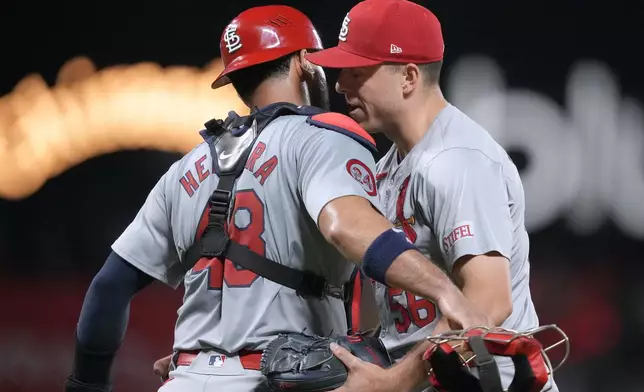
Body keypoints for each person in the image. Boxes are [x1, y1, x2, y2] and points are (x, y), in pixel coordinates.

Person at [65, 5, 486, 392]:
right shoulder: (322, 138)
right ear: (306, 63)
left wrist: (88, 385)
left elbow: (108, 288)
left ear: (234, 80)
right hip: (271, 380)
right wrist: (445, 291)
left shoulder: (187, 167)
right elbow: (347, 226)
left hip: (184, 378)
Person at [305, 0, 559, 391]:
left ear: (408, 77)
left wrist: (393, 383)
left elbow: (486, 304)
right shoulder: (389, 164)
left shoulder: (457, 161)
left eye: (358, 72)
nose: (341, 85)